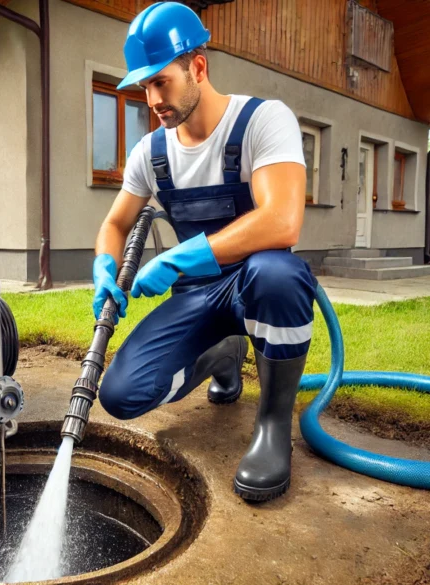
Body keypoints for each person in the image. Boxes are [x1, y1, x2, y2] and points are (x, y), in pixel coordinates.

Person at [92, 1, 317, 502]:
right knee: (120, 395)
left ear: (198, 66)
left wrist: (177, 257)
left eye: (161, 81)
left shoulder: (261, 120)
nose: (153, 99)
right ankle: (223, 353)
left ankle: (274, 426)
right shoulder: (151, 153)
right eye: (145, 87)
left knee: (278, 274)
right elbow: (115, 223)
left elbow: (282, 220)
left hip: (255, 282)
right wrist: (103, 266)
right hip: (200, 297)